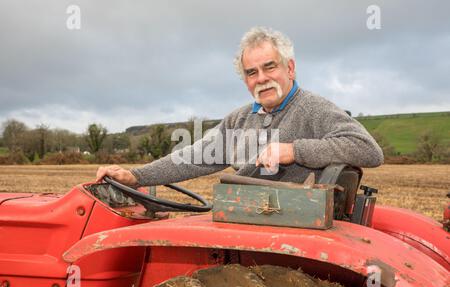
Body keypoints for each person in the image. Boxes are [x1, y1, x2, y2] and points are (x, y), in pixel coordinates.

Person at [96, 26, 383, 187]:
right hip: (249, 214)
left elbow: (368, 150)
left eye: (270, 67)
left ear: (290, 68)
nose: (262, 79)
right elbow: (194, 157)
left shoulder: (313, 109)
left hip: (292, 224)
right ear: (245, 79)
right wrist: (136, 176)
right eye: (251, 72)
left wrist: (294, 150)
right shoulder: (239, 119)